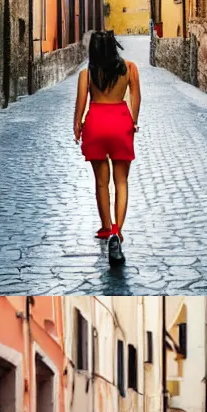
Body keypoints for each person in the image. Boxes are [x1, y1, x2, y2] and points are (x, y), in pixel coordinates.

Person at [73, 30, 141, 266]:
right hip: (120, 122)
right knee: (121, 181)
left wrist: (77, 126)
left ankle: (105, 226)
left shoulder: (87, 74)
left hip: (96, 123)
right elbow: (136, 97)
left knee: (101, 182)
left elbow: (81, 103)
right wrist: (133, 121)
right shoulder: (130, 68)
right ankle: (116, 231)